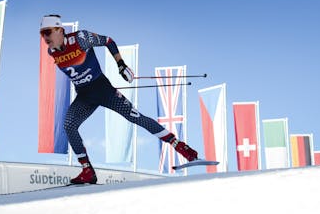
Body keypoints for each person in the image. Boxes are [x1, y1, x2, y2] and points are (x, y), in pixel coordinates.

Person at [40, 14, 200, 184]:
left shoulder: (81, 38)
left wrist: (121, 64)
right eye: (42, 34)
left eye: (48, 32)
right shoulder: (52, 52)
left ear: (59, 30)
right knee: (69, 125)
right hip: (84, 96)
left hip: (103, 90)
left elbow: (108, 41)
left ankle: (180, 146)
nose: (45, 38)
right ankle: (87, 171)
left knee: (135, 117)